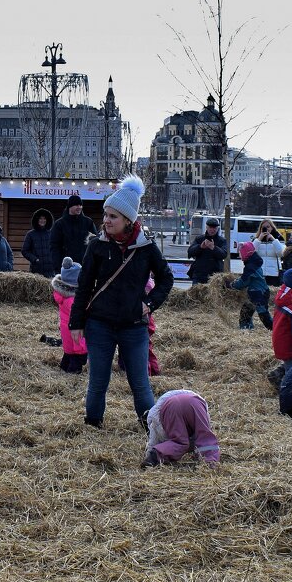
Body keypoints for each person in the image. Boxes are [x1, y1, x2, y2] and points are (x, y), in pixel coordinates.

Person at [68, 175, 173, 428]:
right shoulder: (96, 246)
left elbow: (166, 279)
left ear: (128, 220)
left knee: (140, 382)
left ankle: (150, 427)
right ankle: (93, 424)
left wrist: (150, 303)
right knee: (98, 381)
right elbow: (84, 286)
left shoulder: (146, 247)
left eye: (113, 216)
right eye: (105, 215)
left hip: (134, 326)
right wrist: (76, 322)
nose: (106, 221)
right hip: (99, 324)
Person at [141, 390, 220, 467]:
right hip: (195, 402)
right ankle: (210, 461)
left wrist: (149, 454)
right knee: (204, 435)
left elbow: (154, 439)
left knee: (180, 442)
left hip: (170, 407)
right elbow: (206, 428)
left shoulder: (154, 414)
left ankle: (156, 455)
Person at [52, 257, 87, 372]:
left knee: (68, 351)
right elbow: (79, 316)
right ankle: (73, 371)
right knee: (76, 354)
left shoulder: (62, 295)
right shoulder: (73, 300)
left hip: (65, 326)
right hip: (74, 330)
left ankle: (64, 366)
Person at [230, 241, 272, 331]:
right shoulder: (253, 264)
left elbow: (244, 282)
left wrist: (233, 285)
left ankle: (275, 328)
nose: (239, 255)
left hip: (259, 294)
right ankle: (246, 329)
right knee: (245, 312)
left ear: (245, 253)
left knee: (263, 315)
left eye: (240, 253)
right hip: (254, 294)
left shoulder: (250, 267)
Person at [50, 194, 97, 265]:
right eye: (77, 205)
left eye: (81, 205)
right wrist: (57, 265)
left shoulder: (88, 222)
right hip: (66, 266)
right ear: (70, 206)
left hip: (85, 265)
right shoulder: (59, 224)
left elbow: (95, 242)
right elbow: (54, 246)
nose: (79, 207)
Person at [186, 217, 227, 285]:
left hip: (215, 277)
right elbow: (190, 252)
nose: (212, 230)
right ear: (206, 227)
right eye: (210, 227)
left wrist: (214, 248)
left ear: (217, 229)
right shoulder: (199, 239)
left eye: (214, 228)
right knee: (196, 294)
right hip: (199, 275)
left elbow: (224, 254)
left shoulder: (222, 240)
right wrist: (200, 247)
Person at [21, 208, 57, 277]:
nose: (42, 220)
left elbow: (56, 249)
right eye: (40, 218)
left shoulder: (52, 234)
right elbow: (24, 251)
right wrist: (35, 259)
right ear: (37, 220)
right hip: (36, 271)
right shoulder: (30, 234)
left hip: (51, 271)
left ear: (47, 220)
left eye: (44, 218)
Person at [253, 218, 286, 285]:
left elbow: (281, 254)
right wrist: (259, 239)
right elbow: (251, 253)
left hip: (273, 273)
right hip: (259, 272)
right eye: (264, 227)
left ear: (272, 227)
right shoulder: (256, 239)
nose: (266, 229)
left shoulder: (278, 238)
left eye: (268, 227)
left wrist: (274, 240)